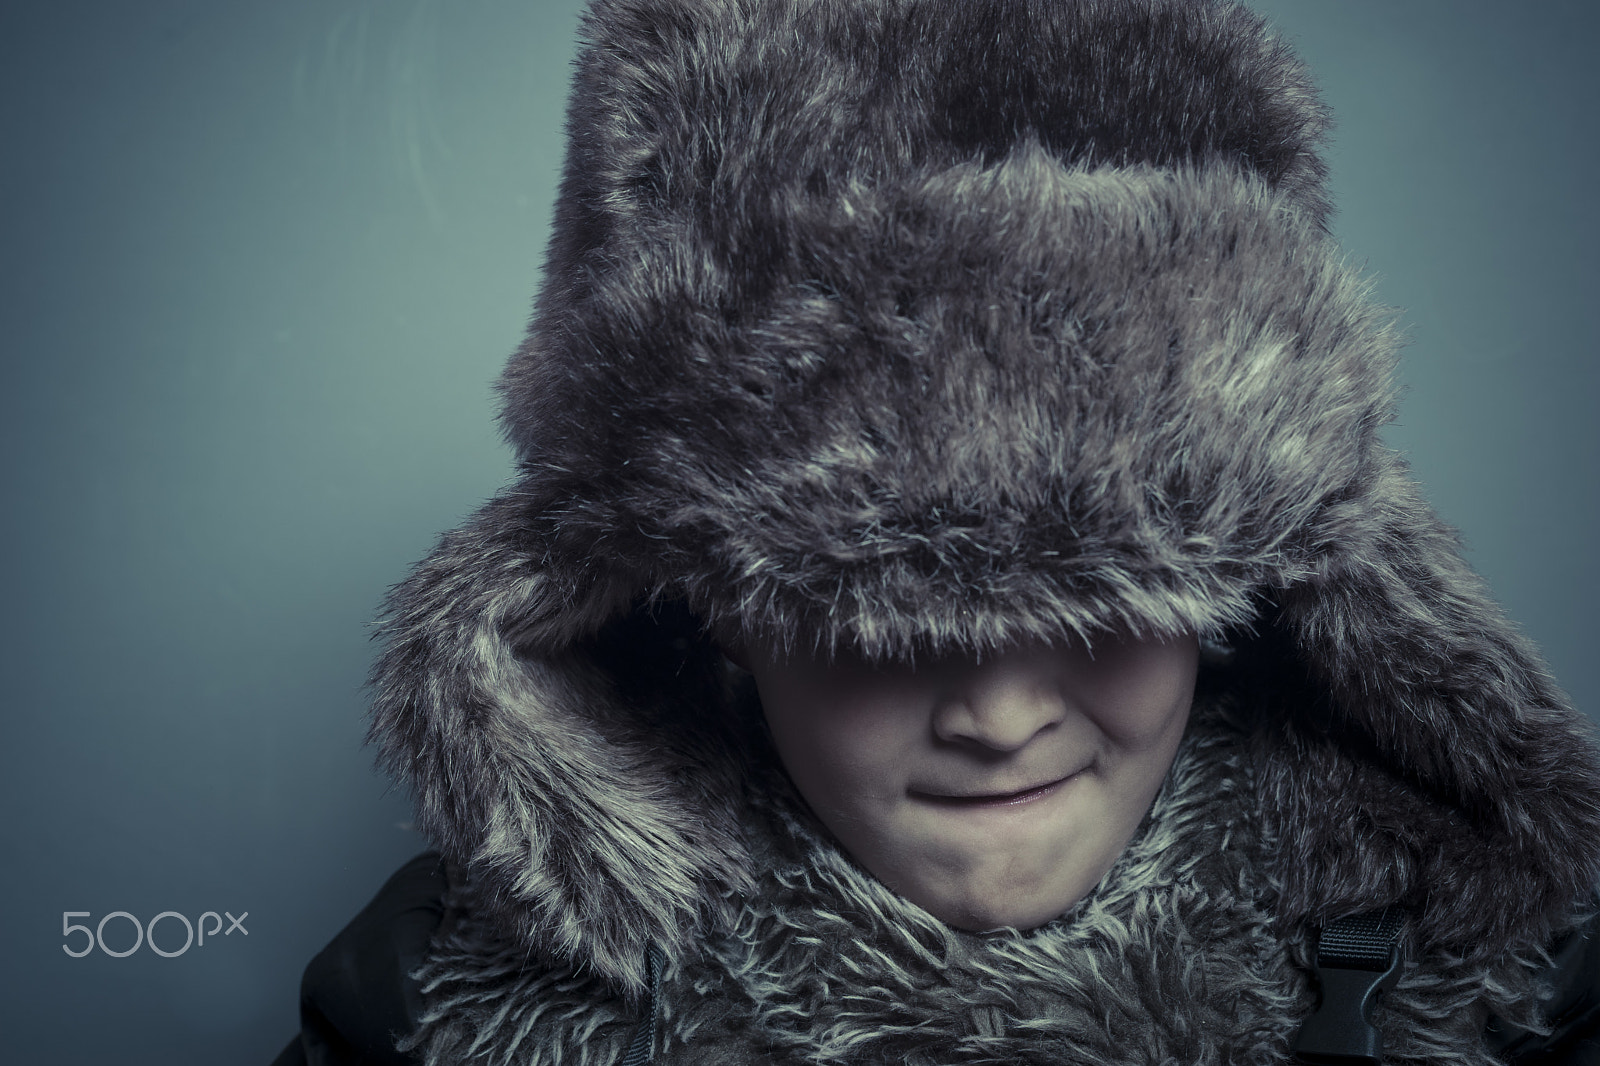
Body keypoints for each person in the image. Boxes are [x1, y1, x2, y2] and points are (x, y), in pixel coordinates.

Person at [273, 0, 1600, 1062]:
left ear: (1244, 575)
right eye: (881, 615)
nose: (1002, 713)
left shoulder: (1505, 970)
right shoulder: (424, 1012)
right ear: (715, 599)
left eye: (1104, 598)